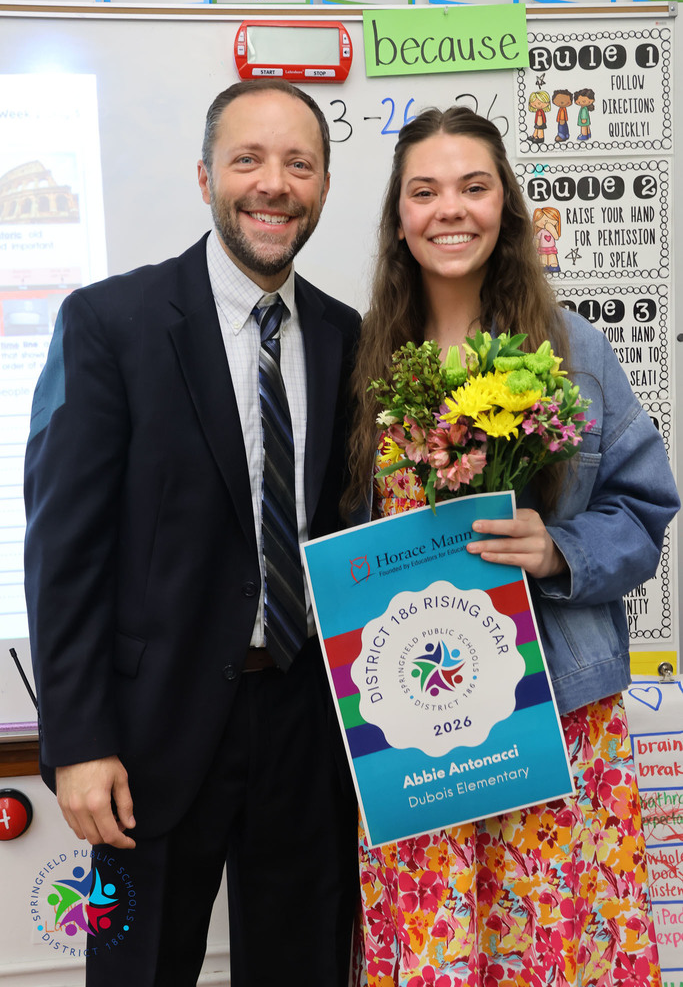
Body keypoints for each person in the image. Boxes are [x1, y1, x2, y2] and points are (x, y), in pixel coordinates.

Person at [24, 79, 361, 987]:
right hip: (145, 736)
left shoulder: (345, 336)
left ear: (325, 184)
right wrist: (79, 741)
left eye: (298, 163)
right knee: (139, 971)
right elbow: (63, 550)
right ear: (205, 174)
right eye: (248, 159)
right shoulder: (109, 323)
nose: (273, 184)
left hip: (305, 726)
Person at [344, 106, 678, 986]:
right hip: (409, 731)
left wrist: (559, 550)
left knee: (558, 952)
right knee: (438, 952)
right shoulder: (358, 361)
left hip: (554, 720)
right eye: (424, 191)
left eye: (472, 186)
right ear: (398, 215)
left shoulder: (572, 353)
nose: (449, 209)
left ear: (505, 205)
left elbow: (644, 511)